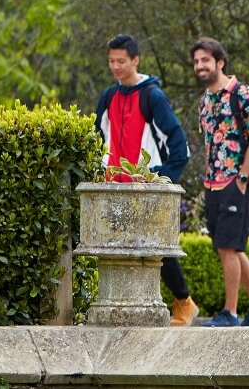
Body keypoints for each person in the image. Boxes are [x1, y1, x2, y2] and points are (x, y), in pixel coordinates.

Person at [92, 34, 198, 326]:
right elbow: (96, 138)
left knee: (155, 247)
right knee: (114, 249)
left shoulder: (153, 96)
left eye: (121, 61)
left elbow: (180, 148)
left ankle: (184, 303)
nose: (115, 66)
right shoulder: (108, 96)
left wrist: (159, 180)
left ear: (135, 60)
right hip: (114, 185)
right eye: (111, 61)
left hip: (145, 185)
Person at [190, 36, 249, 327]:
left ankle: (230, 313)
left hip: (235, 182)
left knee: (228, 247)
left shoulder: (241, 93)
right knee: (229, 247)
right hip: (212, 183)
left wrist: (241, 178)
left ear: (220, 62)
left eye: (205, 60)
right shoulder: (204, 101)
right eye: (196, 61)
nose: (200, 66)